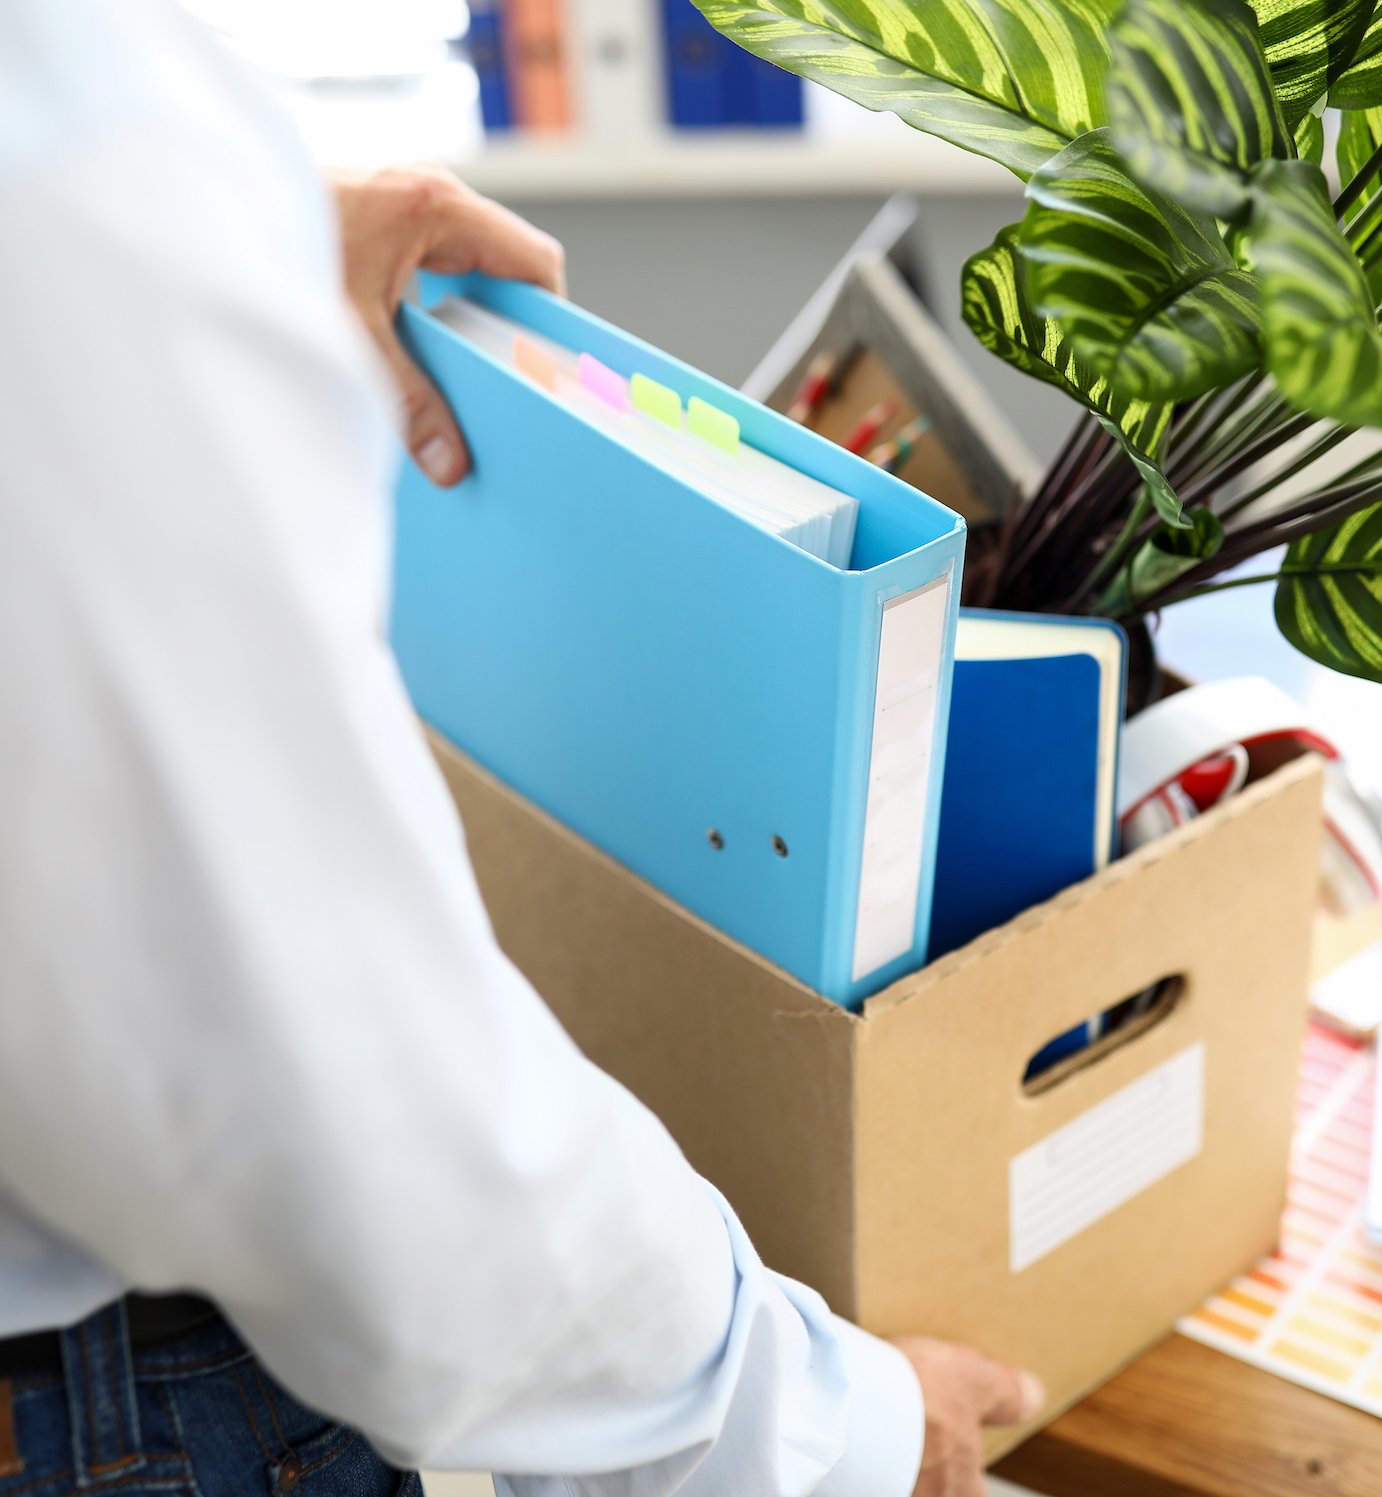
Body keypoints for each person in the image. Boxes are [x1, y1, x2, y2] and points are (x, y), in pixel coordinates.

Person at [0, 4, 1042, 1496]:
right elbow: (352, 1114)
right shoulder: (80, 171)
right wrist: (839, 1437)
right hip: (105, 1396)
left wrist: (237, 256)